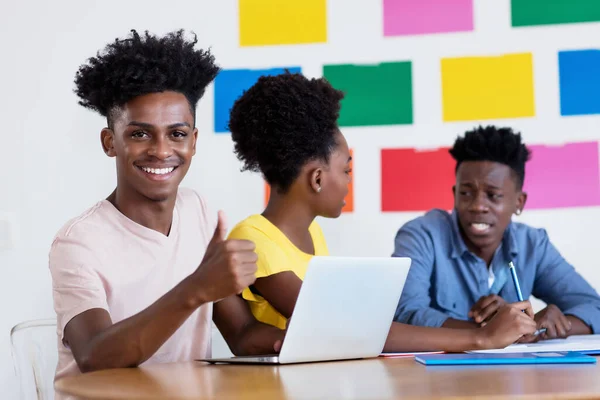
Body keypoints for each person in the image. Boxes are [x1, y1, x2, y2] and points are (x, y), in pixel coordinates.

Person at [226, 71, 537, 352]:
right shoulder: (254, 238)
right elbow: (351, 329)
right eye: (346, 170)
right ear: (318, 179)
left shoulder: (311, 234)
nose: (350, 181)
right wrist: (481, 338)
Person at [49, 29, 283, 381]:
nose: (161, 150)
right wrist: (196, 288)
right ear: (110, 142)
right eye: (140, 134)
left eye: (177, 134)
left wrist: (307, 341)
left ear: (193, 141)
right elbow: (95, 355)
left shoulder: (199, 212)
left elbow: (243, 335)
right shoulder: (78, 242)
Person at [393, 125, 600, 340]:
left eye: (493, 195)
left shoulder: (533, 244)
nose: (477, 206)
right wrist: (493, 331)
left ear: (519, 202)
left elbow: (594, 308)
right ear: (455, 194)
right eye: (466, 193)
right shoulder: (422, 235)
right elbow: (405, 313)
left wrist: (541, 325)